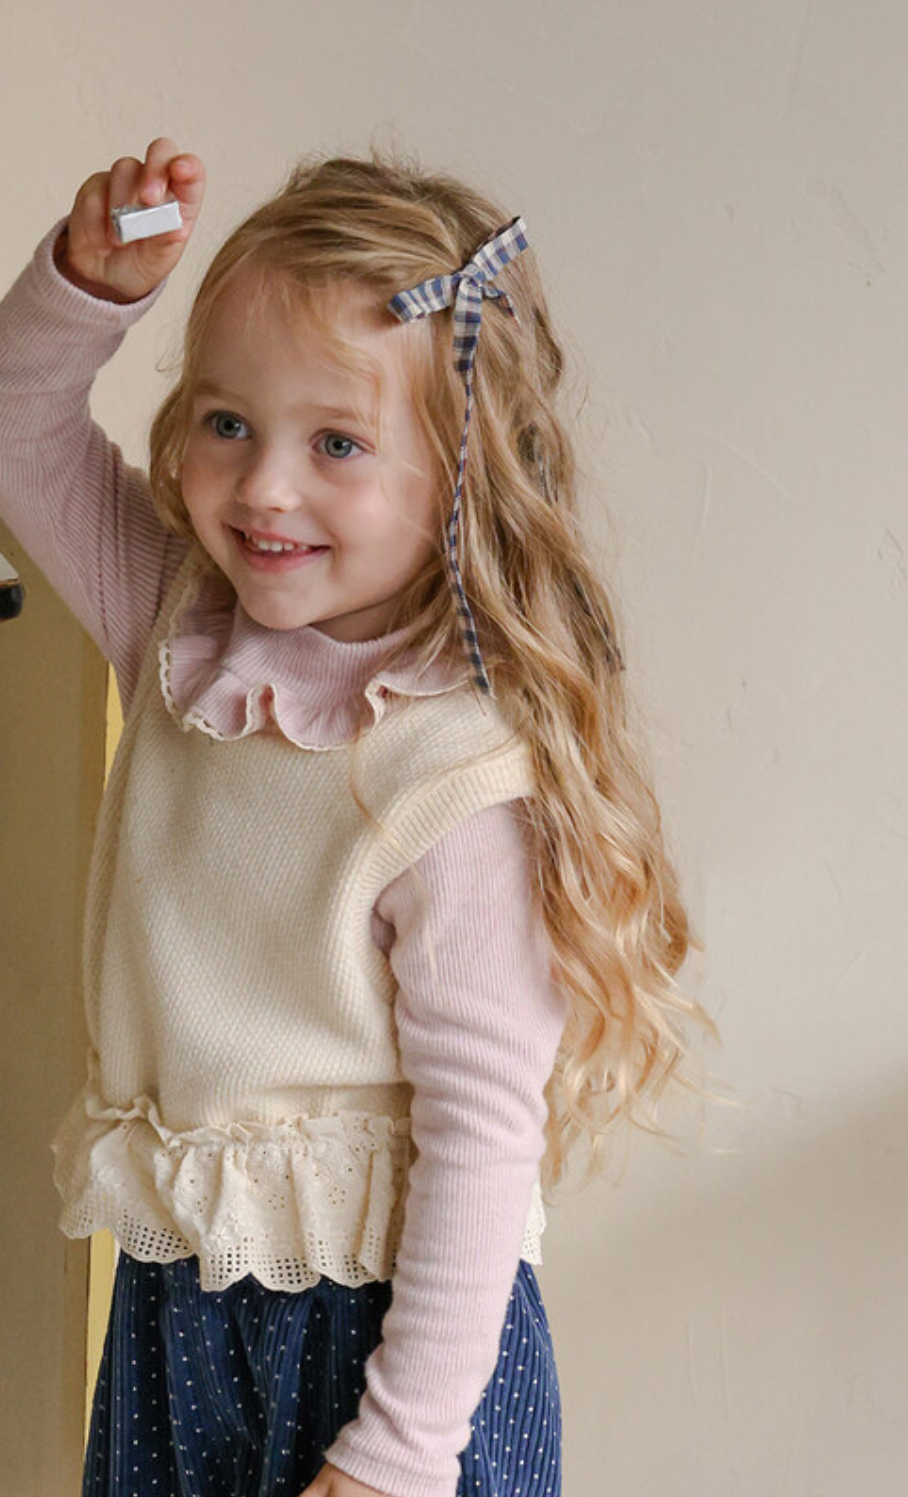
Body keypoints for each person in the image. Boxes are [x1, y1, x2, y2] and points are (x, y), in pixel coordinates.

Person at [0, 136, 716, 1497]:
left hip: (389, 1355)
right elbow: (13, 423)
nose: (265, 486)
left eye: (336, 443)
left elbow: (480, 1146)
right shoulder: (176, 625)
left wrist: (397, 1453)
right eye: (228, 422)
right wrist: (83, 292)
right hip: (179, 1304)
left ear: (461, 474)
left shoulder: (454, 774)